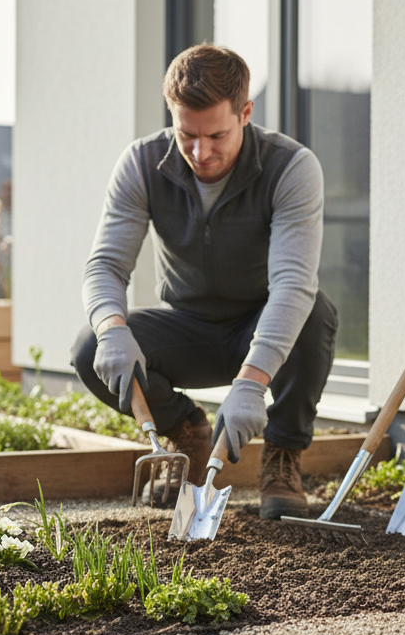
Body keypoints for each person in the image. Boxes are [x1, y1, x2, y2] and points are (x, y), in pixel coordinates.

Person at [71, 43, 337, 520]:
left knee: (315, 311)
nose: (200, 152)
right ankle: (187, 432)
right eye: (186, 134)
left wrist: (252, 383)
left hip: (261, 323)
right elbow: (105, 265)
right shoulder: (142, 164)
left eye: (216, 135)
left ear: (245, 113)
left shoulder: (291, 167)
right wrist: (111, 329)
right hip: (188, 328)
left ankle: (282, 458)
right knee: (90, 346)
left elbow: (292, 284)